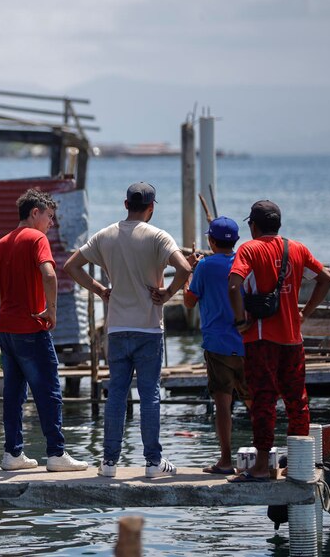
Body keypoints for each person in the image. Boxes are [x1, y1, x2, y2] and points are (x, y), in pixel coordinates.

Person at [63, 182, 193, 478]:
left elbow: (71, 266)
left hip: (117, 328)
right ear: (151, 208)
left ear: (125, 205)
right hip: (149, 329)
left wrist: (100, 289)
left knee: (116, 395)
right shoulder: (158, 236)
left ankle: (109, 463)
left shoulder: (105, 235)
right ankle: (153, 463)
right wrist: (168, 293)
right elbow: (185, 268)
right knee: (149, 395)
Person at [227, 200, 330, 482]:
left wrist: (239, 320)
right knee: (297, 401)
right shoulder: (297, 249)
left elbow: (234, 285)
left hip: (261, 339)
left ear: (253, 225)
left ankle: (262, 466)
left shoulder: (249, 249)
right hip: (292, 339)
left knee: (263, 400)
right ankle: (298, 465)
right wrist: (304, 313)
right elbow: (326, 279)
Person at [0, 189, 88, 472]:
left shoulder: (1, 243)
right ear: (35, 213)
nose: (51, 223)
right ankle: (56, 453)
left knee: (13, 394)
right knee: (48, 390)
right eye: (49, 216)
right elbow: (49, 273)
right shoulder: (37, 238)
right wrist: (52, 310)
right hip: (31, 328)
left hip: (5, 328)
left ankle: (12, 453)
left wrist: (8, 311)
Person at [182, 216, 250, 475]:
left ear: (211, 240)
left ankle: (225, 460)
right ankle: (262, 458)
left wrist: (189, 273)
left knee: (223, 404)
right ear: (236, 241)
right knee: (255, 402)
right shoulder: (245, 262)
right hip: (246, 342)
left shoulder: (204, 266)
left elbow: (189, 302)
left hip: (217, 344)